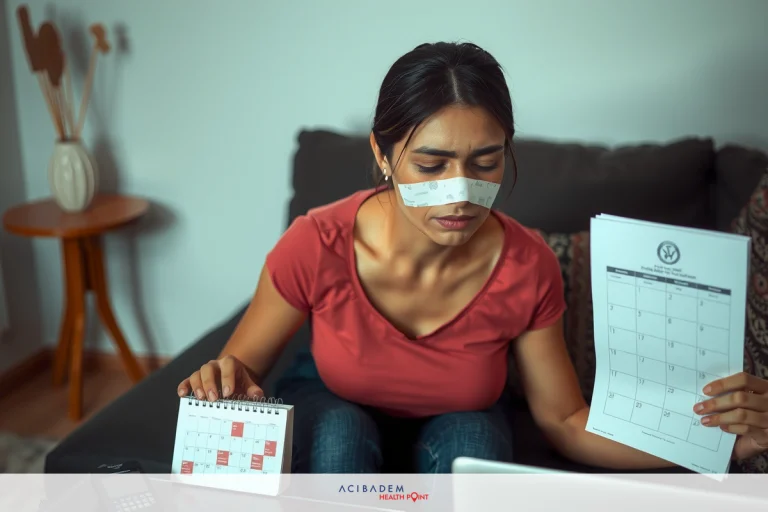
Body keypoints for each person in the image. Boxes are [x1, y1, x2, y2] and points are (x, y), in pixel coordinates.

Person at [177, 41, 768, 473]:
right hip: (335, 398)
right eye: (431, 165)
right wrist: (221, 381)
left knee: (478, 455)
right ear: (383, 157)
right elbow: (239, 376)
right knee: (338, 444)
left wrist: (716, 444)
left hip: (464, 415)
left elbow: (565, 421)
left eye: (485, 163)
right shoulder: (316, 242)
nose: (460, 193)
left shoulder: (527, 265)